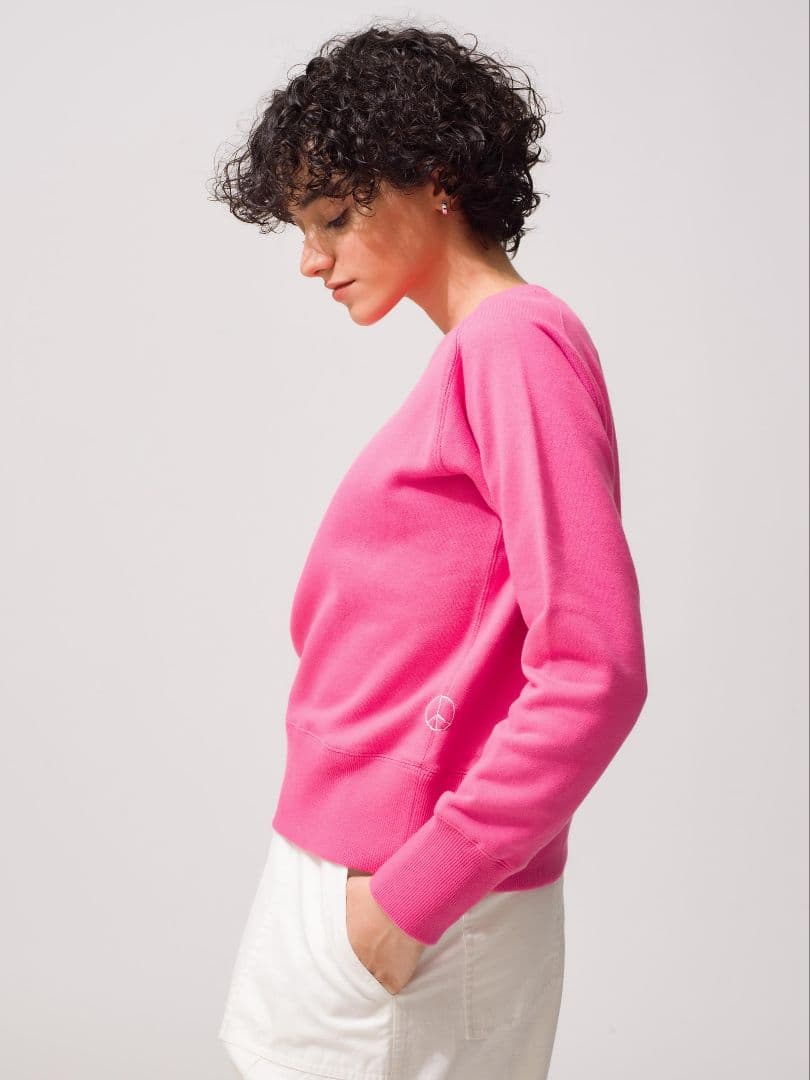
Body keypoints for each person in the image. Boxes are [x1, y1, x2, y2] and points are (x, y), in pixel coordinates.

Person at [208, 21, 648, 1080]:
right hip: (348, 874)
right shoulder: (481, 357)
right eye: (302, 228)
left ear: (438, 178)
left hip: (406, 903)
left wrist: (410, 900)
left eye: (336, 217)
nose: (312, 259)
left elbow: (594, 666)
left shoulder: (514, 348)